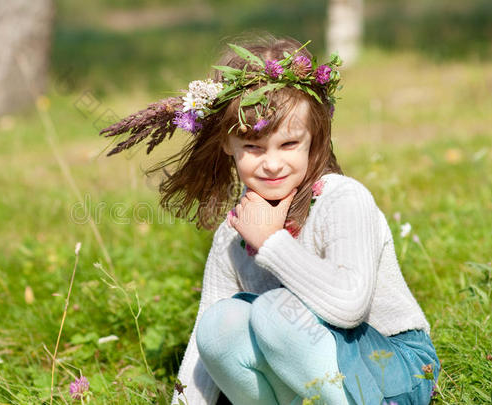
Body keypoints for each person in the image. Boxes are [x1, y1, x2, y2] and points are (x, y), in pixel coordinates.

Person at [99, 34, 440, 405]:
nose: (272, 163)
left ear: (315, 136)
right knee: (219, 324)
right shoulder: (234, 232)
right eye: (253, 148)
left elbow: (349, 306)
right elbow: (204, 349)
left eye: (289, 144)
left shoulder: (342, 200)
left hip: (392, 368)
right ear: (228, 145)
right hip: (309, 372)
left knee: (275, 311)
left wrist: (271, 242)